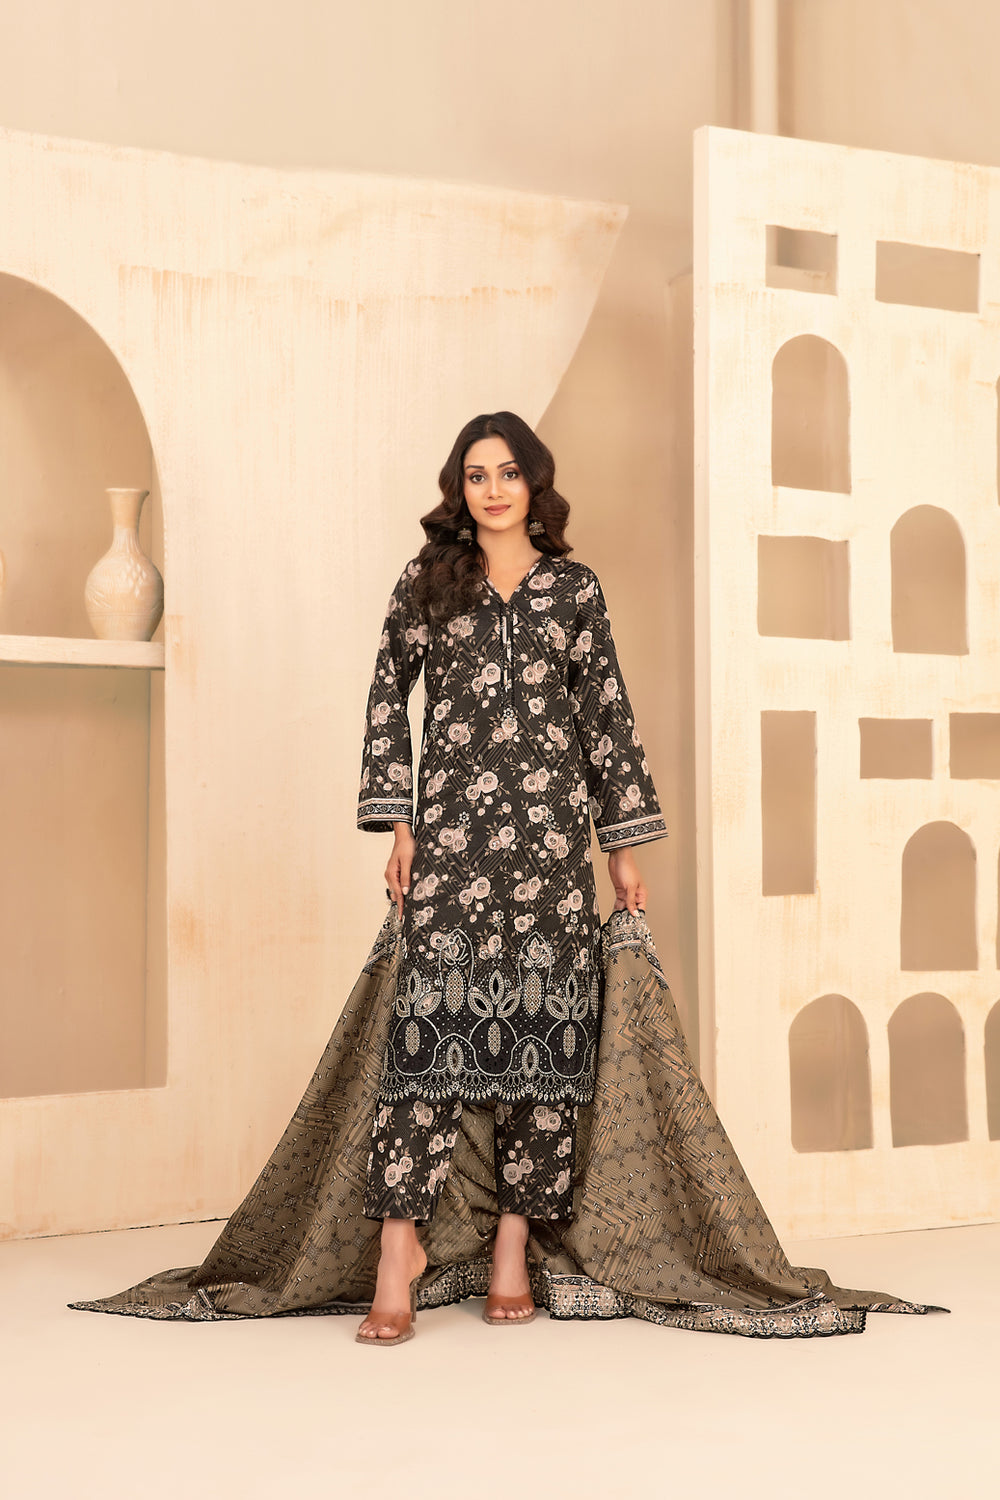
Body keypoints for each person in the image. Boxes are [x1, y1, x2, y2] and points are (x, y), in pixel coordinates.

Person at [354, 410, 666, 1343]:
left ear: (535, 482)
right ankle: (398, 1250)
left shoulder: (574, 589)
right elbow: (387, 696)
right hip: (451, 841)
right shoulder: (429, 581)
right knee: (426, 1036)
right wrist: (401, 823)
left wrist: (620, 845)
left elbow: (605, 715)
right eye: (476, 475)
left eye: (508, 473)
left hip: (549, 847)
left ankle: (512, 1249)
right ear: (460, 488)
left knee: (543, 1045)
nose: (493, 490)